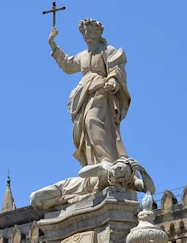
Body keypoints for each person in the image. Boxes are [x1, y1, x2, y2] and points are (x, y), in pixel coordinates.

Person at [49, 18, 131, 167]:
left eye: (89, 30)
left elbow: (116, 68)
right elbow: (68, 65)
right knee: (84, 129)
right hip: (83, 95)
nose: (86, 34)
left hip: (101, 91)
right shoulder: (83, 55)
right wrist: (54, 45)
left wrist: (112, 80)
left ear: (98, 32)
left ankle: (106, 158)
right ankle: (93, 162)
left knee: (92, 121)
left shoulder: (107, 50)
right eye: (84, 31)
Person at [31, 157, 155, 211]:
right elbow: (82, 173)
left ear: (123, 178)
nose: (117, 169)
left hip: (77, 198)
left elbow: (150, 189)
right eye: (118, 166)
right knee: (35, 198)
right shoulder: (105, 168)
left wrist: (142, 171)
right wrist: (101, 166)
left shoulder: (127, 182)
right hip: (69, 186)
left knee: (48, 205)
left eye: (121, 170)